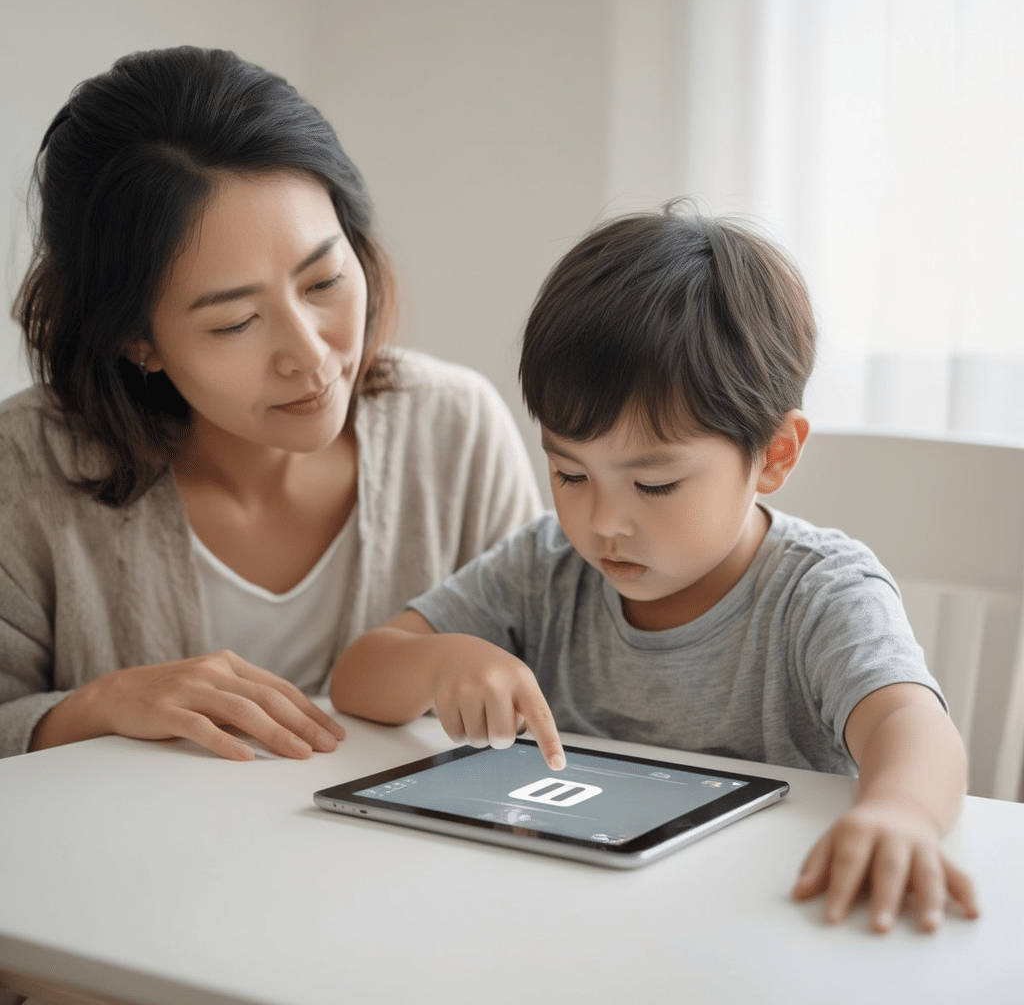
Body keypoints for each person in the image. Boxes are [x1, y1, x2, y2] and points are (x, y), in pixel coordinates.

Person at [330, 205, 979, 934]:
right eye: (570, 473)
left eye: (655, 485)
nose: (604, 523)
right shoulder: (543, 568)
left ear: (774, 456)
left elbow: (909, 721)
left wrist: (901, 810)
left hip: (760, 921)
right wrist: (441, 662)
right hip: (574, 921)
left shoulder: (819, 593)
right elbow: (358, 676)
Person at [0, 46, 541, 762]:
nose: (311, 356)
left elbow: (558, 685)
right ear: (138, 340)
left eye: (324, 282)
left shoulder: (454, 430)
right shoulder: (25, 466)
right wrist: (98, 705)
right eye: (235, 323)